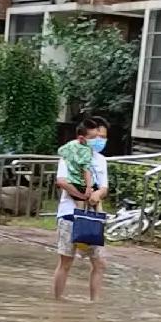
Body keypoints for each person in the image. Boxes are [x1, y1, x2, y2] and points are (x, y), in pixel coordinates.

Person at [52, 117, 109, 302]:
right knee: (66, 262)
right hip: (70, 214)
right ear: (83, 137)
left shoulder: (101, 161)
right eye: (95, 136)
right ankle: (57, 301)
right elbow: (62, 181)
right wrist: (81, 194)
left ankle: (94, 303)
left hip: (92, 217)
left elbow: (104, 188)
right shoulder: (69, 155)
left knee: (99, 263)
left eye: (102, 136)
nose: (99, 140)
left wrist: (97, 195)